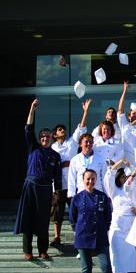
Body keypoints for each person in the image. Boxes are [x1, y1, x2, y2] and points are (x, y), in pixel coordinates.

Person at [14, 99, 62, 261]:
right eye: (42, 137)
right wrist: (32, 110)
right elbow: (28, 129)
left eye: (47, 137)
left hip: (46, 189)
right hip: (30, 186)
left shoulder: (56, 156)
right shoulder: (33, 148)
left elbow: (57, 177)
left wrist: (56, 193)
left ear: (52, 138)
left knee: (43, 220)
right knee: (28, 218)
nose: (45, 139)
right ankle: (28, 251)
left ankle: (43, 250)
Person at [69, 169, 118, 273]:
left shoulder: (102, 196)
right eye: (88, 179)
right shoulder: (77, 198)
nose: (90, 181)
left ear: (96, 180)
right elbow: (72, 218)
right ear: (83, 180)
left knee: (106, 267)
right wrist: (78, 230)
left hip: (100, 236)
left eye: (93, 178)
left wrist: (103, 228)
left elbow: (108, 216)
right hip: (83, 237)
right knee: (86, 270)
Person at [49, 98, 90, 247]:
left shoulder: (72, 143)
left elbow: (81, 128)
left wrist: (85, 112)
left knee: (76, 211)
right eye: (60, 130)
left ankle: (79, 236)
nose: (63, 131)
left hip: (73, 184)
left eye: (63, 129)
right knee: (57, 211)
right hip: (58, 184)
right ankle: (57, 237)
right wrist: (61, 164)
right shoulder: (52, 147)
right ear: (55, 134)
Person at [103, 162, 136, 273]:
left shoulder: (134, 189)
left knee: (132, 253)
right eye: (122, 177)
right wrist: (121, 162)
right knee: (117, 252)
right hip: (118, 226)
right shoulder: (114, 190)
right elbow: (109, 176)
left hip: (132, 225)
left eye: (126, 176)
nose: (125, 179)